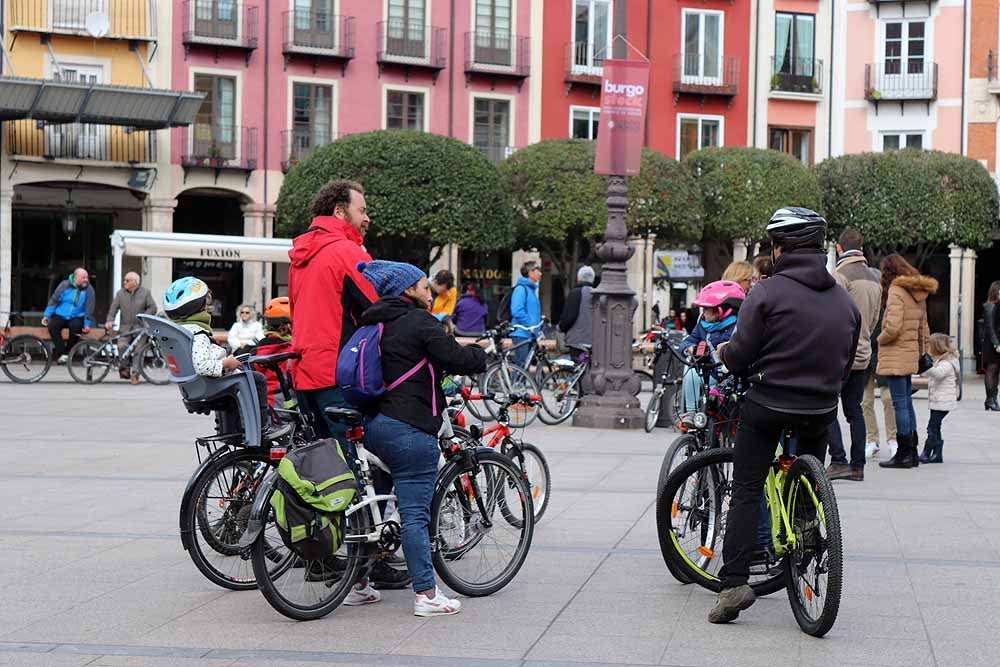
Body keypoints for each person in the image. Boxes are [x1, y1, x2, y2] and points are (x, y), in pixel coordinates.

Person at [709, 207, 860, 625]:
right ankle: (808, 536)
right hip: (821, 409)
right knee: (808, 476)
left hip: (768, 404)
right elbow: (847, 364)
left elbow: (739, 357)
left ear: (780, 248)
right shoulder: (845, 301)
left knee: (746, 488)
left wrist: (725, 354)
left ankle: (734, 583)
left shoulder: (766, 293)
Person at [287, 180, 407, 590]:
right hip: (341, 374)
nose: (367, 215)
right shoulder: (345, 252)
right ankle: (370, 560)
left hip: (305, 373)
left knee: (325, 472)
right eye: (362, 208)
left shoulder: (302, 253)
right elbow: (379, 306)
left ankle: (319, 558)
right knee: (375, 461)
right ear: (340, 211)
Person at [357, 260, 487, 615]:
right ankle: (427, 595)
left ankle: (359, 583)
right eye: (424, 286)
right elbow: (455, 356)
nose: (429, 292)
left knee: (378, 509)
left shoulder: (373, 320)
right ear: (408, 291)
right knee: (414, 514)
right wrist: (480, 354)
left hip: (375, 427)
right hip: (410, 429)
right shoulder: (418, 321)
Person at [162, 277, 285, 442]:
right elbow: (202, 366)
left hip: (196, 386)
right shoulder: (198, 334)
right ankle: (263, 428)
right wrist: (226, 363)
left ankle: (233, 432)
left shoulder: (181, 331)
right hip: (211, 383)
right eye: (206, 305)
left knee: (243, 381)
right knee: (257, 379)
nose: (209, 309)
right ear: (197, 308)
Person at [825, 229, 882, 482]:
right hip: (864, 352)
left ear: (839, 248)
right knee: (855, 410)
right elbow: (875, 319)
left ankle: (838, 460)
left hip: (840, 353)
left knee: (826, 408)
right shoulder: (875, 278)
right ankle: (857, 466)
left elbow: (833, 314)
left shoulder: (840, 275)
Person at [876, 254, 937, 470]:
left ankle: (903, 453)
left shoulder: (896, 291)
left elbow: (893, 327)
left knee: (899, 402)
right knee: (906, 402)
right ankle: (911, 451)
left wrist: (880, 339)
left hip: (895, 353)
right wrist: (921, 353)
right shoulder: (917, 292)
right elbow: (924, 329)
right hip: (910, 353)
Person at [679, 280, 744, 411]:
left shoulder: (740, 326)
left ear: (719, 311)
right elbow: (688, 341)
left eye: (706, 309)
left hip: (734, 378)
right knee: (691, 375)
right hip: (712, 375)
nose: (702, 314)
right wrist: (689, 348)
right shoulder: (702, 326)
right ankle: (692, 414)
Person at [104, 271, 158, 384]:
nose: (125, 282)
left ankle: (135, 374)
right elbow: (113, 309)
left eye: (127, 280)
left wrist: (144, 317)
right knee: (122, 346)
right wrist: (110, 320)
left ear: (135, 282)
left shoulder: (145, 293)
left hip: (141, 328)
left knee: (139, 351)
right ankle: (124, 370)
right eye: (125, 280)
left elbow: (153, 307)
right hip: (125, 328)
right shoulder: (120, 294)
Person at [918, 333, 959, 464]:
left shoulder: (947, 363)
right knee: (936, 426)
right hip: (939, 401)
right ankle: (937, 454)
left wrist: (926, 366)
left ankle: (927, 452)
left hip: (943, 402)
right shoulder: (942, 360)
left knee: (932, 427)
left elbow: (937, 374)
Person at [42, 267, 96, 365]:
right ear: (75, 278)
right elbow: (54, 300)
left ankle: (69, 353)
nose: (86, 280)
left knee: (75, 327)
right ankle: (63, 353)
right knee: (53, 326)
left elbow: (89, 308)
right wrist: (46, 315)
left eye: (87, 278)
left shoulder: (89, 289)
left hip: (77, 316)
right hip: (61, 314)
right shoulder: (64, 285)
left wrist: (87, 324)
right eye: (83, 278)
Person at [862, 315, 898, 459]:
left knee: (888, 399)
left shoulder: (887, 308)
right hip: (865, 358)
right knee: (865, 401)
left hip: (883, 357)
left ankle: (892, 439)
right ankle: (872, 440)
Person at [252, 297, 295, 409]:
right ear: (290, 325)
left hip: (261, 408)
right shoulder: (291, 351)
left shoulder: (256, 349)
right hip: (286, 409)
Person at [510, 261, 542, 368]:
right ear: (530, 272)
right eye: (538, 270)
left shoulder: (530, 290)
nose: (540, 273)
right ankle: (516, 385)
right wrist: (531, 325)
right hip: (522, 334)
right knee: (521, 367)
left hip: (529, 334)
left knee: (524, 367)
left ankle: (518, 385)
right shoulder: (521, 289)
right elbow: (517, 310)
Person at [559, 265, 595, 349]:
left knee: (578, 361)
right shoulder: (597, 294)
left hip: (577, 341)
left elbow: (569, 317)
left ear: (578, 279)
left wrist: (561, 327)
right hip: (595, 340)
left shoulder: (575, 293)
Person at [982, 281, 1000, 411]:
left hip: (997, 341)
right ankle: (990, 400)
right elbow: (990, 327)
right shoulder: (989, 306)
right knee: (992, 369)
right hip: (992, 343)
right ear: (995, 291)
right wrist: (996, 344)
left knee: (996, 371)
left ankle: (993, 399)